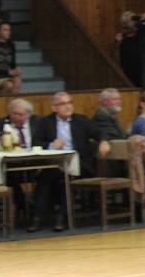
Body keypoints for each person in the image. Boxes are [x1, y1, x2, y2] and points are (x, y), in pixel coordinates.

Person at [33, 92, 111, 232]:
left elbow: (101, 132)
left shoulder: (81, 120)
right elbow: (35, 142)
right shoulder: (46, 122)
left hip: (80, 163)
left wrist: (104, 142)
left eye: (69, 103)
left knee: (68, 177)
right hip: (55, 163)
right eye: (63, 104)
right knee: (44, 178)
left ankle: (61, 218)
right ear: (54, 108)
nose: (68, 106)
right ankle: (37, 218)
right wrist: (51, 145)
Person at [0, 98, 43, 221]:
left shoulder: (38, 122)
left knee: (48, 174)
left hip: (37, 163)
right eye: (14, 114)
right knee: (7, 174)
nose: (16, 117)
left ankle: (38, 207)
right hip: (11, 165)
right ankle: (24, 204)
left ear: (29, 114)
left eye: (21, 115)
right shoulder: (0, 124)